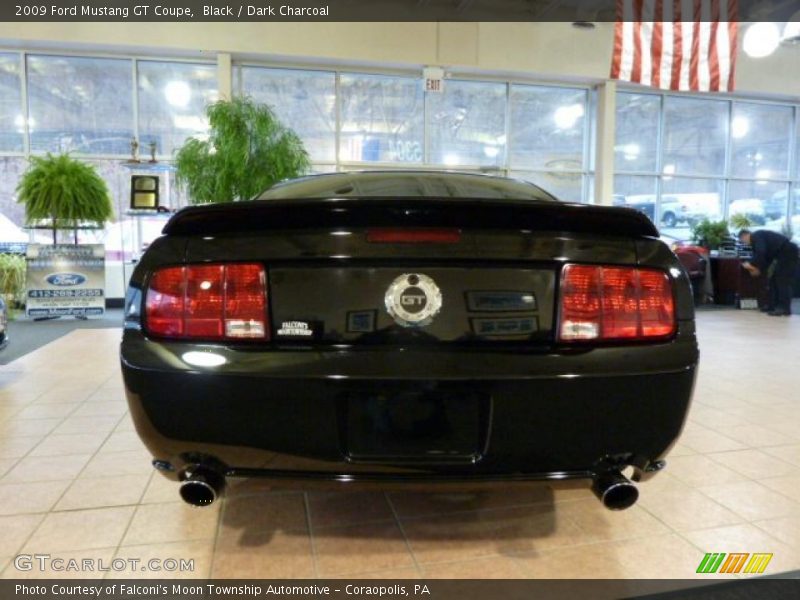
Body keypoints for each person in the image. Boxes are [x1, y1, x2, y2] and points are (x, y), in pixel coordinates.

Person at [738, 229, 799, 316]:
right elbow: (766, 257)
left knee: (782, 280)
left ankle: (784, 308)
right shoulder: (758, 240)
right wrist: (757, 268)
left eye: (742, 240)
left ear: (745, 236)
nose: (744, 243)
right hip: (782, 253)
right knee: (773, 280)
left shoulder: (756, 236)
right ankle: (772, 306)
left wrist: (750, 264)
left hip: (788, 252)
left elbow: (761, 253)